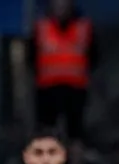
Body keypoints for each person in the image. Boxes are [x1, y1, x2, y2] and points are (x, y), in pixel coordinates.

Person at [34, 0, 96, 141]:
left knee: (76, 132)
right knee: (47, 132)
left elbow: (94, 55)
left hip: (76, 89)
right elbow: (31, 56)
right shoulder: (42, 27)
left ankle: (76, 159)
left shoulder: (83, 27)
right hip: (47, 89)